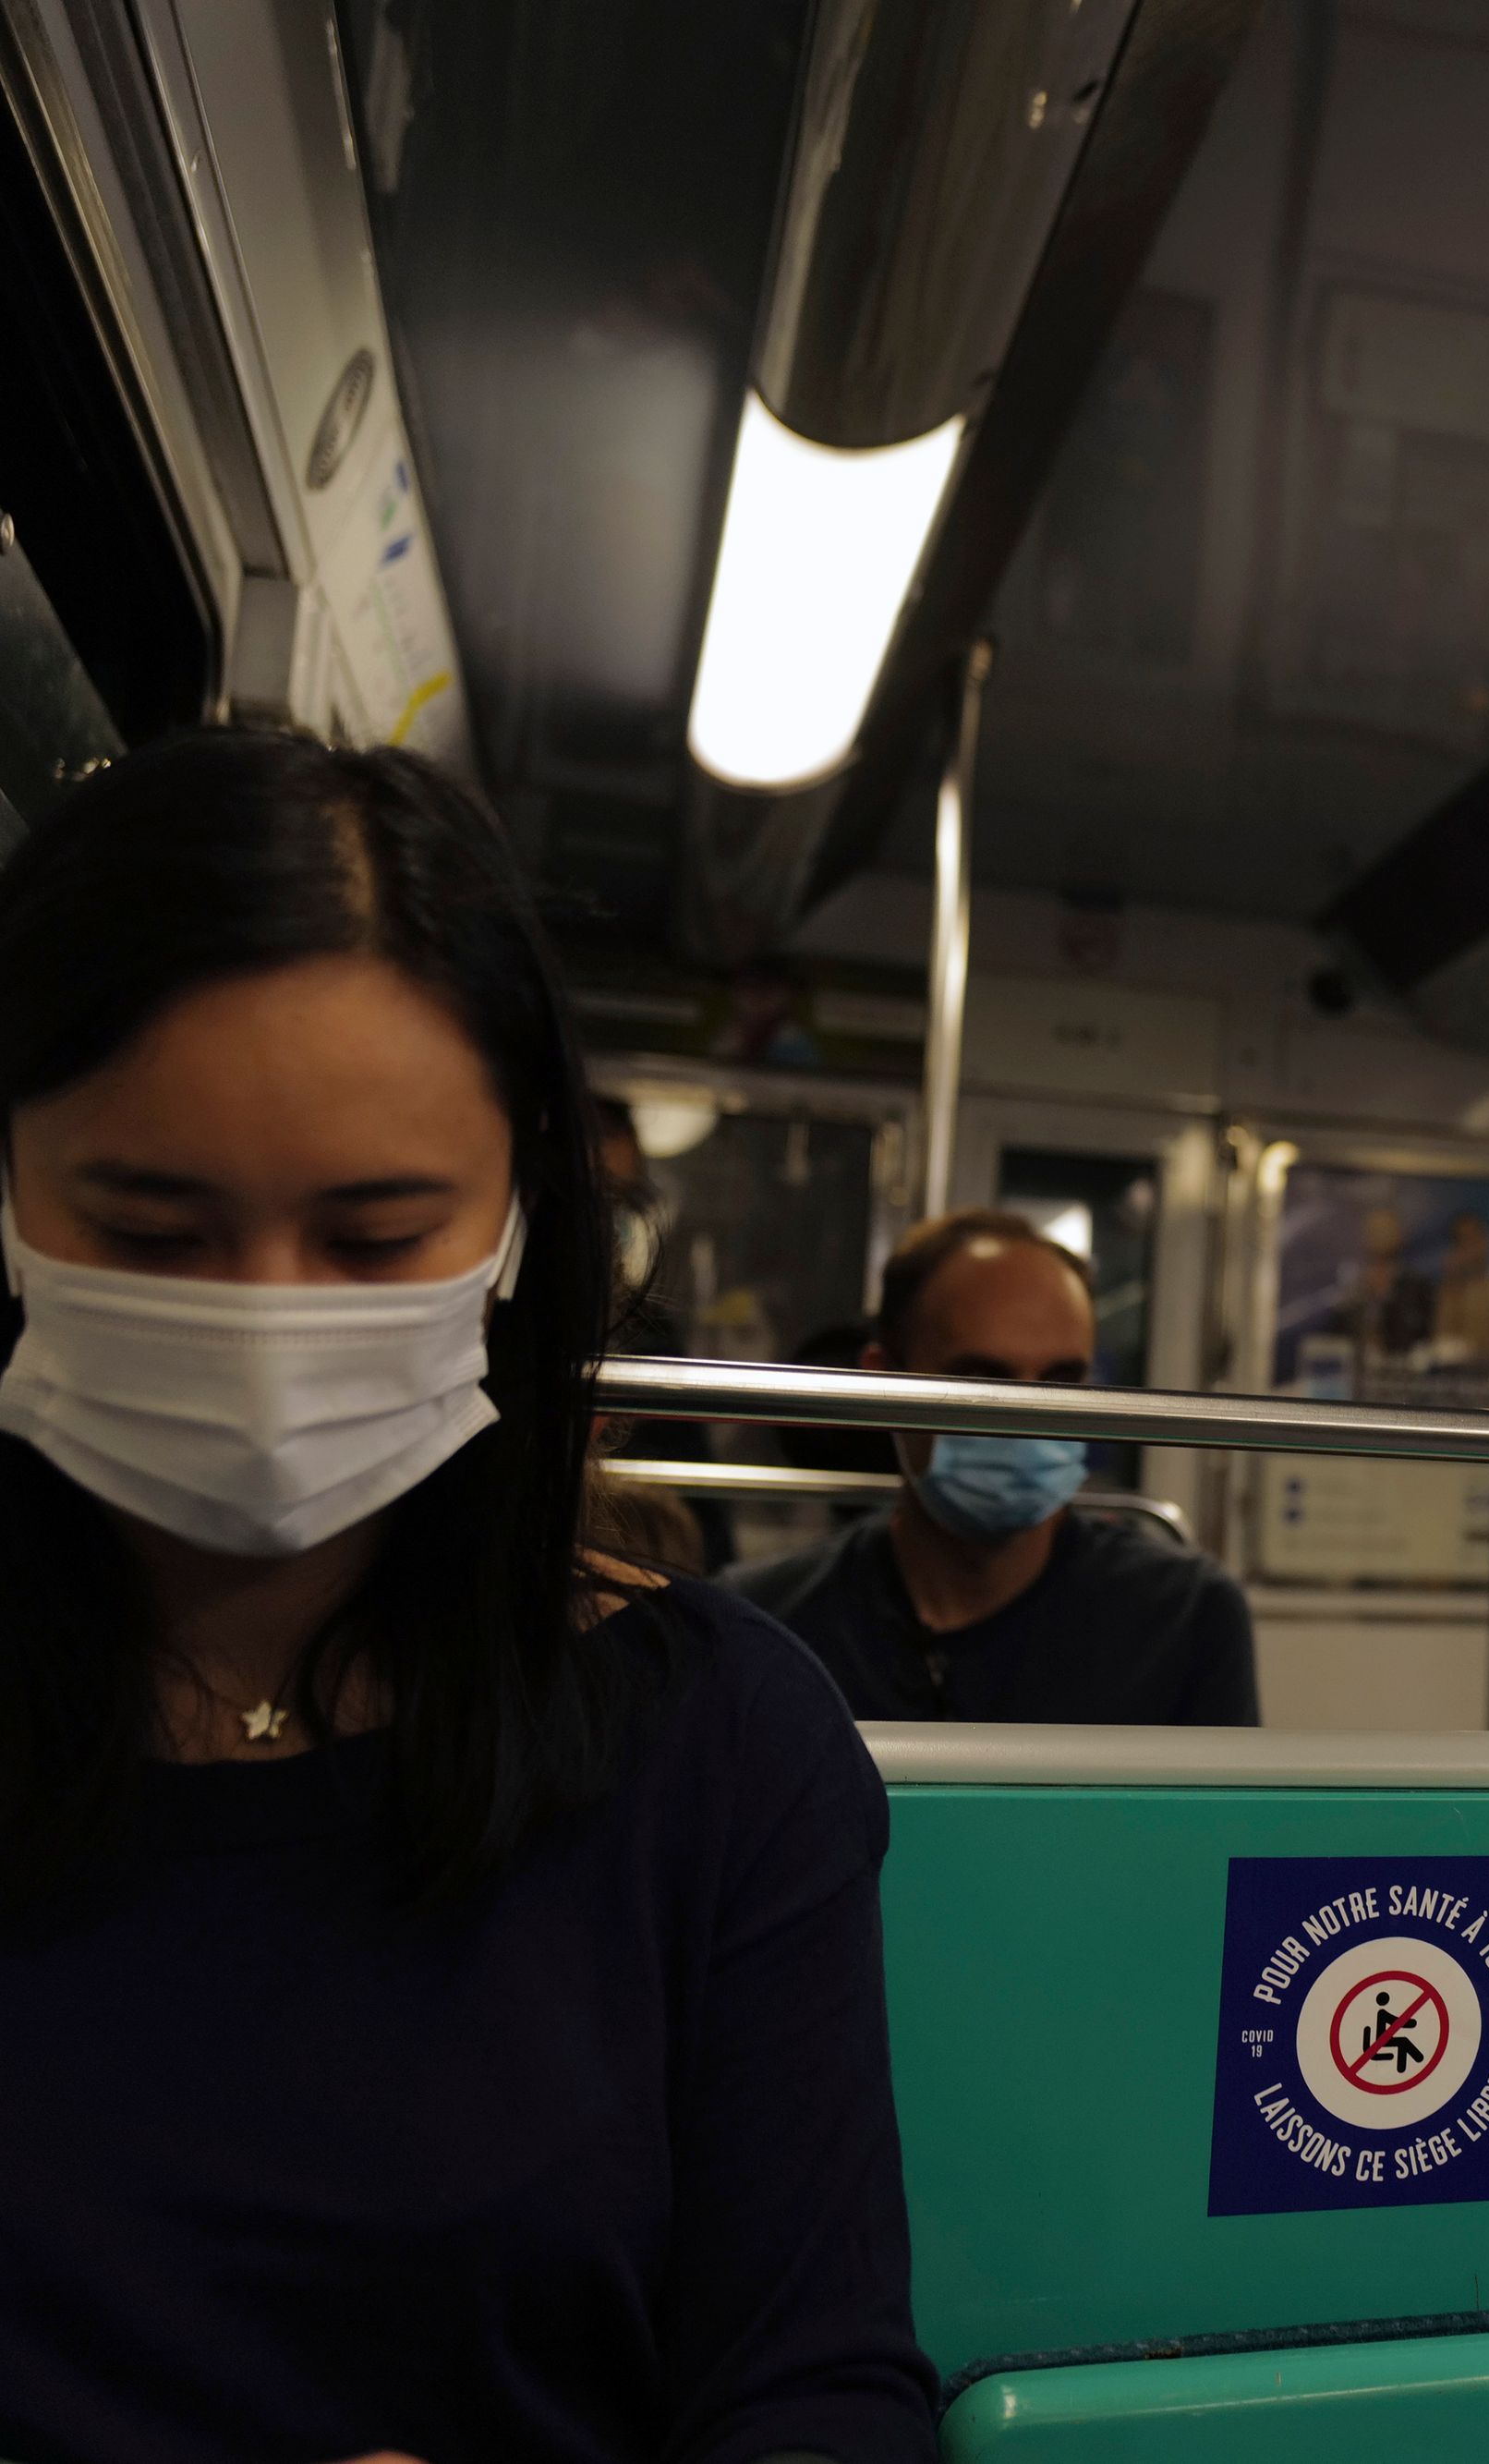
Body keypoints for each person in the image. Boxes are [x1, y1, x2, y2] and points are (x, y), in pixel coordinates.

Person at [0, 729, 933, 2459]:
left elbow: (815, 2392)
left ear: (515, 1235)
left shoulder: (720, 1752)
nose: (267, 1319)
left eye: (371, 1241)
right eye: (147, 1229)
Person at [730, 1208, 1259, 1725]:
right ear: (883, 1382)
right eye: (982, 1378)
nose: (1025, 1420)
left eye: (1061, 1381)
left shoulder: (1182, 1621)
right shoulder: (765, 1625)